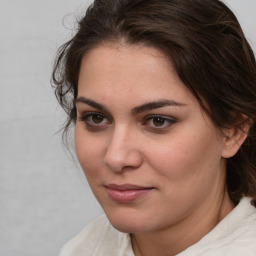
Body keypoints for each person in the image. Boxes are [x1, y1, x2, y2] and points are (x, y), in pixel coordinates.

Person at [52, 0, 256, 255]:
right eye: (96, 118)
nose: (116, 157)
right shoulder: (81, 249)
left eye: (158, 121)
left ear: (233, 130)